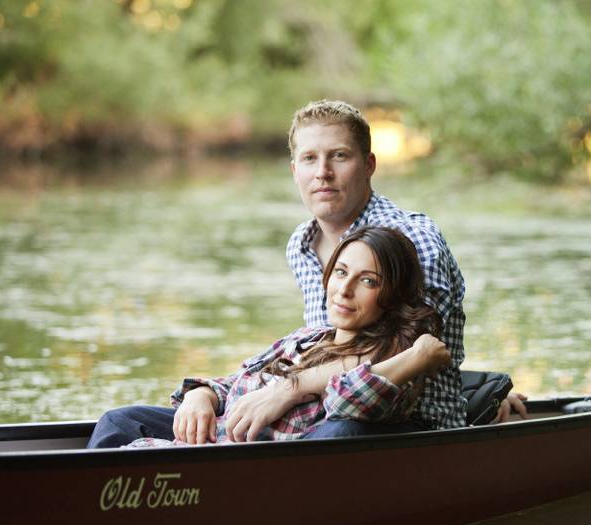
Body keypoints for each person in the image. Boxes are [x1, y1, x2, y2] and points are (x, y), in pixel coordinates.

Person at [225, 99, 526, 441]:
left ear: (368, 165)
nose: (323, 172)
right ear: (295, 171)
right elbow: (326, 347)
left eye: (339, 156)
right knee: (159, 420)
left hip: (407, 423)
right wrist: (205, 393)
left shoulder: (411, 239)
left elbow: (410, 351)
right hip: (319, 413)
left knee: (334, 433)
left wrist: (288, 389)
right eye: (310, 158)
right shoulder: (301, 243)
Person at [87, 227, 451, 448]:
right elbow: (239, 379)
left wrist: (417, 356)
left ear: (391, 295)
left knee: (343, 431)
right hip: (217, 432)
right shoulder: (307, 336)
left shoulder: (387, 359)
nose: (345, 289)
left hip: (249, 462)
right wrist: (202, 395)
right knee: (118, 421)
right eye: (341, 272)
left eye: (368, 281)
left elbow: (347, 404)